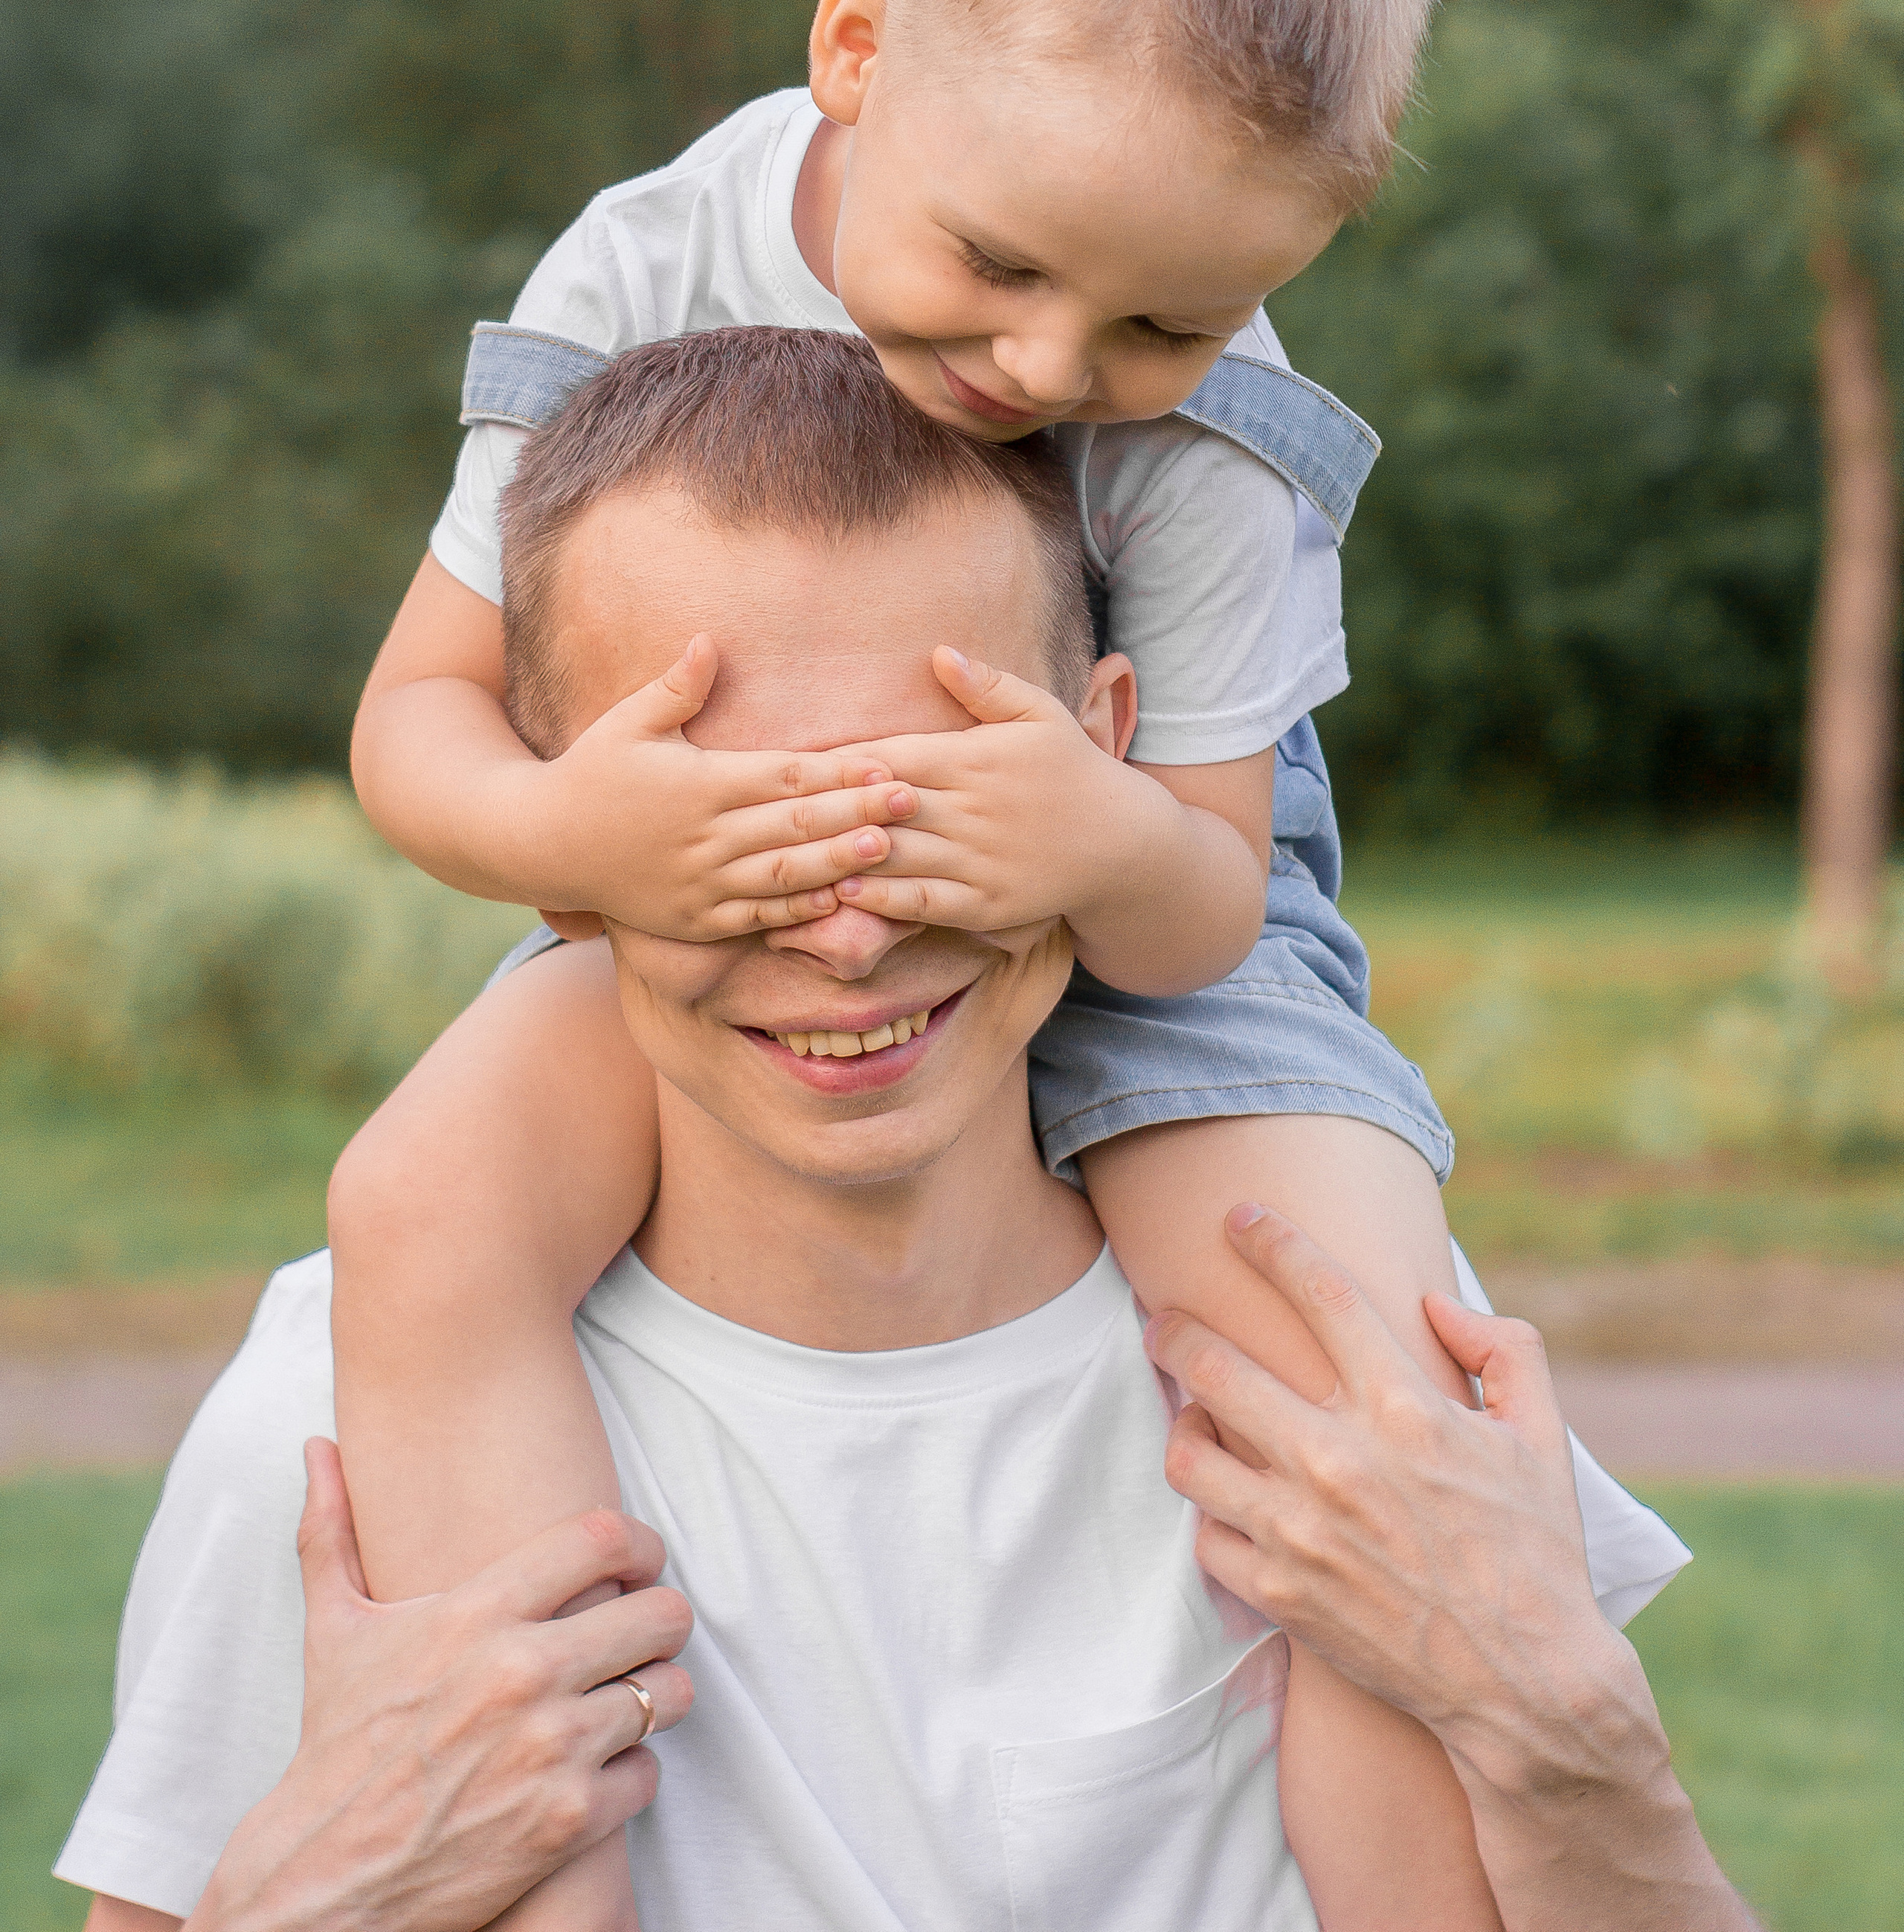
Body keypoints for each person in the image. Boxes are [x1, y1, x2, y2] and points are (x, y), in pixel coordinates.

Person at [62, 333, 1698, 1932]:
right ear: (559, 843)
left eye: (938, 811)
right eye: (735, 841)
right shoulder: (336, 1409)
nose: (847, 939)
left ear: (1112, 756)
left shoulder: (1352, 1390)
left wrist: (1575, 1740)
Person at [329, 0, 1488, 1923]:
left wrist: (1084, 835)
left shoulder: (1232, 449)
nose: (1053, 374)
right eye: (1002, 264)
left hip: (1145, 904)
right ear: (855, 47)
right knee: (418, 1216)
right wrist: (585, 842)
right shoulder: (646, 264)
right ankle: (533, 1849)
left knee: (1354, 1369)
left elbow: (1211, 906)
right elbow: (421, 724)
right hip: (705, 885)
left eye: (1165, 324)